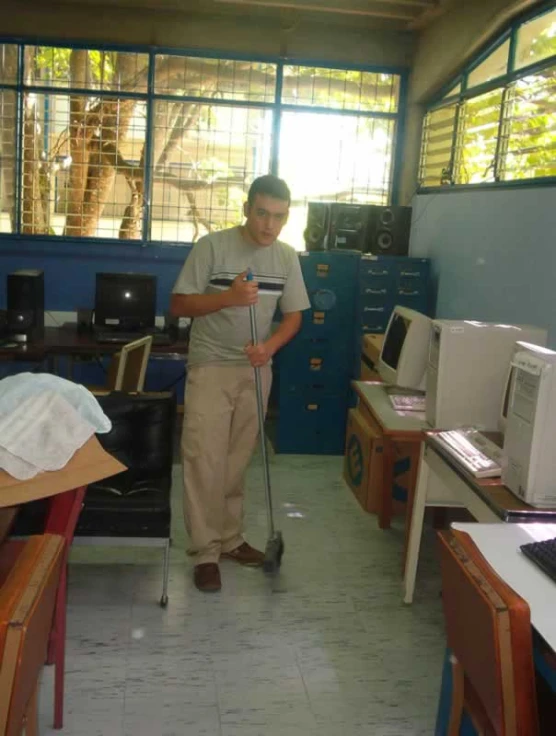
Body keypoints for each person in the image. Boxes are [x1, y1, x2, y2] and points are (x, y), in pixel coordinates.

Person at [170, 175, 310, 592]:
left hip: (255, 369)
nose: (270, 225)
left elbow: (294, 317)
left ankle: (230, 540)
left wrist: (269, 348)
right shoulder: (212, 247)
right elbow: (179, 305)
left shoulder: (286, 258)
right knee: (204, 460)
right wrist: (228, 298)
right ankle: (205, 552)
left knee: (236, 459)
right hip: (212, 365)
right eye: (263, 213)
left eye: (280, 217)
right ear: (247, 208)